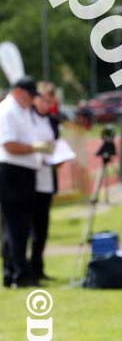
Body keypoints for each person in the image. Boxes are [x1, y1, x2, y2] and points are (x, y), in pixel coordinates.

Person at [0, 76, 54, 288]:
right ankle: (18, 274)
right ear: (20, 92)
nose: (32, 100)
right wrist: (36, 148)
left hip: (24, 172)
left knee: (20, 226)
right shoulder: (8, 110)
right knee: (16, 226)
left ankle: (17, 271)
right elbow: (9, 145)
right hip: (13, 172)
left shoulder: (22, 111)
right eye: (30, 96)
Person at [30, 83, 58, 282]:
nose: (47, 104)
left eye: (50, 101)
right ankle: (21, 268)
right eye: (44, 100)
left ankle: (38, 267)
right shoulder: (26, 118)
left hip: (47, 179)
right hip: (28, 179)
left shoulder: (52, 121)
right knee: (26, 228)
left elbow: (56, 145)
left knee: (42, 227)